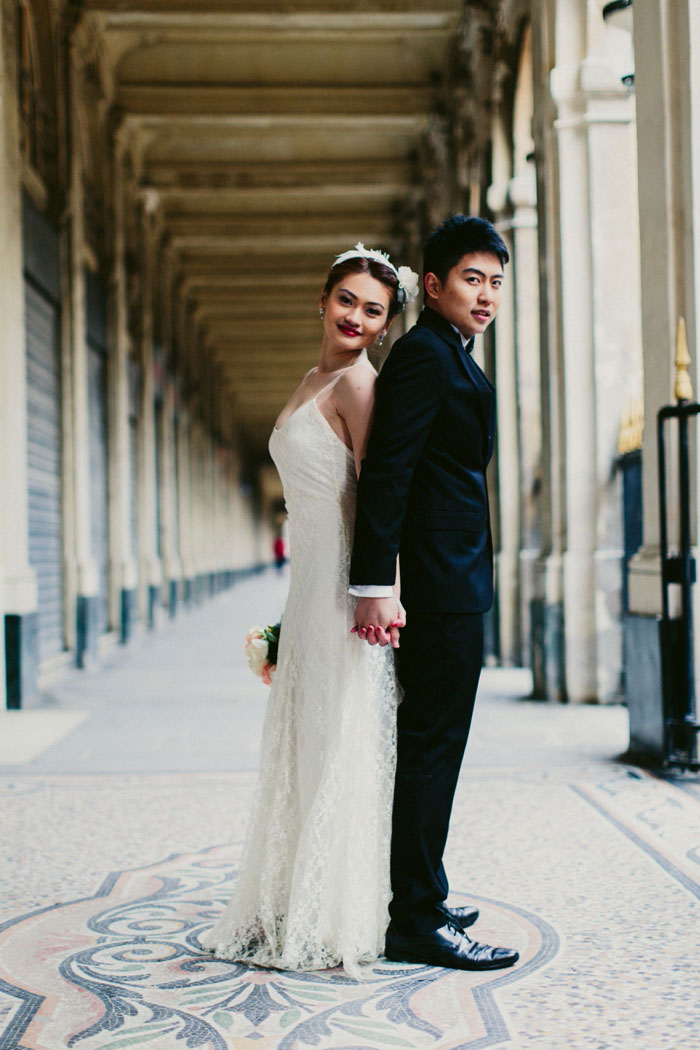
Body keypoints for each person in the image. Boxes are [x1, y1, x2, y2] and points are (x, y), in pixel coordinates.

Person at [201, 244, 418, 977]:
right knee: (301, 735)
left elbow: (383, 493)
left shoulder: (360, 385)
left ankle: (336, 912)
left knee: (336, 735)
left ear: (385, 326)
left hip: (341, 588)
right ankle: (296, 893)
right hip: (307, 580)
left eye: (373, 311)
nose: (357, 317)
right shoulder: (310, 379)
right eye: (348, 301)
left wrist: (378, 590)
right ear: (322, 301)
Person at [350, 215, 520, 971]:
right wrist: (375, 584)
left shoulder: (453, 352)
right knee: (430, 751)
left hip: (453, 578)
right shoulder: (423, 355)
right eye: (472, 280)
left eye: (495, 283)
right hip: (434, 585)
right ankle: (414, 919)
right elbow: (389, 472)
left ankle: (426, 890)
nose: (486, 296)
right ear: (433, 285)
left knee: (435, 750)